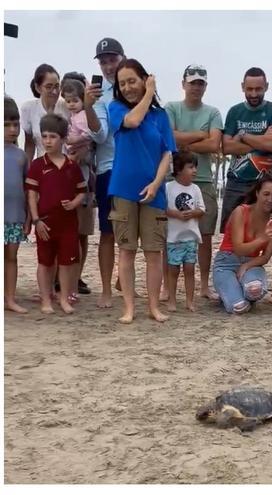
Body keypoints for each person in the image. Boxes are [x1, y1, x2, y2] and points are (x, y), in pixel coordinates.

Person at [107, 58, 176, 324]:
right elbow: (133, 121)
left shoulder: (160, 116)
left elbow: (167, 154)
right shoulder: (115, 109)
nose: (127, 87)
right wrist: (149, 92)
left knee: (153, 253)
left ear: (143, 79)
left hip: (154, 192)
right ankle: (128, 308)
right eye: (122, 83)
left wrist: (157, 183)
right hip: (123, 190)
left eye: (132, 81)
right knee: (126, 251)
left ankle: (154, 307)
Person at [164, 64, 224, 301]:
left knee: (204, 235)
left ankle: (204, 285)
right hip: (172, 177)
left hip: (203, 180)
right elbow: (169, 138)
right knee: (168, 234)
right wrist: (201, 135)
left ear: (205, 86)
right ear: (183, 84)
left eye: (200, 83)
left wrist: (183, 142)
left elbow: (213, 145)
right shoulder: (171, 107)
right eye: (192, 82)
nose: (196, 87)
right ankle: (167, 287)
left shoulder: (213, 112)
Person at [25, 114, 87, 315]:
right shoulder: (37, 165)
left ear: (62, 138)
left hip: (68, 223)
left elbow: (82, 192)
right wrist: (36, 221)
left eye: (52, 136)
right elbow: (32, 196)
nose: (48, 141)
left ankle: (64, 298)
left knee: (67, 263)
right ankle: (45, 299)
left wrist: (74, 204)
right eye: (44, 136)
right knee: (45, 262)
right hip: (45, 222)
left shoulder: (71, 166)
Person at [86, 37, 126, 308]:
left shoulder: (136, 84)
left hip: (137, 166)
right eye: (103, 61)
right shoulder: (99, 96)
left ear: (122, 58)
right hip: (109, 167)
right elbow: (99, 136)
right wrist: (88, 106)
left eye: (112, 59)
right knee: (109, 232)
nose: (108, 65)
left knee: (132, 231)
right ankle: (106, 290)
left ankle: (124, 278)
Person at [221, 67, 272, 234]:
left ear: (266, 87)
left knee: (258, 233)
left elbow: (271, 145)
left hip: (263, 184)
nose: (254, 94)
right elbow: (227, 147)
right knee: (229, 232)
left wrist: (242, 135)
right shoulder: (235, 112)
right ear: (242, 87)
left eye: (258, 89)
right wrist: (261, 140)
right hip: (236, 181)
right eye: (249, 89)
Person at [213, 174, 272, 314]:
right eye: (266, 194)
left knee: (254, 291)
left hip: (252, 263)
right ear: (257, 193)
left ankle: (235, 289)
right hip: (227, 261)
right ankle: (231, 290)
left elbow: (266, 257)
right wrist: (263, 238)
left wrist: (247, 265)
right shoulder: (241, 211)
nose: (270, 199)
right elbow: (238, 249)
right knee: (239, 307)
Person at [60, 76, 97, 296]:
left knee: (79, 232)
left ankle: (74, 280)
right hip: (73, 167)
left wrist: (71, 143)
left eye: (75, 100)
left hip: (81, 169)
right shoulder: (72, 116)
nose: (72, 104)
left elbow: (85, 137)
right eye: (68, 100)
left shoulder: (82, 117)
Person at [164, 151, 205, 312]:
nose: (194, 170)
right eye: (190, 167)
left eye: (195, 167)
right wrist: (176, 214)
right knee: (173, 270)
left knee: (190, 269)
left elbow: (202, 210)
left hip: (191, 237)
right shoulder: (168, 187)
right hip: (174, 238)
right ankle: (172, 300)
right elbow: (163, 208)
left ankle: (189, 300)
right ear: (179, 169)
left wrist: (193, 213)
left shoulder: (196, 189)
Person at [4, 97, 31, 314]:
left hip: (15, 216)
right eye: (6, 125)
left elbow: (27, 188)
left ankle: (10, 298)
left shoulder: (21, 156)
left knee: (11, 257)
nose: (13, 130)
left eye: (16, 124)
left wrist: (29, 217)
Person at [21, 64, 68, 162]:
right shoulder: (29, 108)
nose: (54, 92)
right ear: (38, 88)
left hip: (68, 166)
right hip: (43, 168)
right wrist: (28, 171)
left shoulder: (67, 106)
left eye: (57, 86)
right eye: (49, 87)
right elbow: (29, 145)